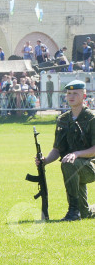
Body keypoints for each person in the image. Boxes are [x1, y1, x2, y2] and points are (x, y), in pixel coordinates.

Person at [35, 80, 95, 221]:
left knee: (68, 162)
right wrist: (45, 161)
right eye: (69, 93)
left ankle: (73, 212)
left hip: (91, 166)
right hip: (73, 165)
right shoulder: (63, 119)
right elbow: (57, 149)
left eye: (75, 93)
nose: (71, 96)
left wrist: (76, 154)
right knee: (85, 213)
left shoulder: (92, 118)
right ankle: (80, 211)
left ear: (84, 96)